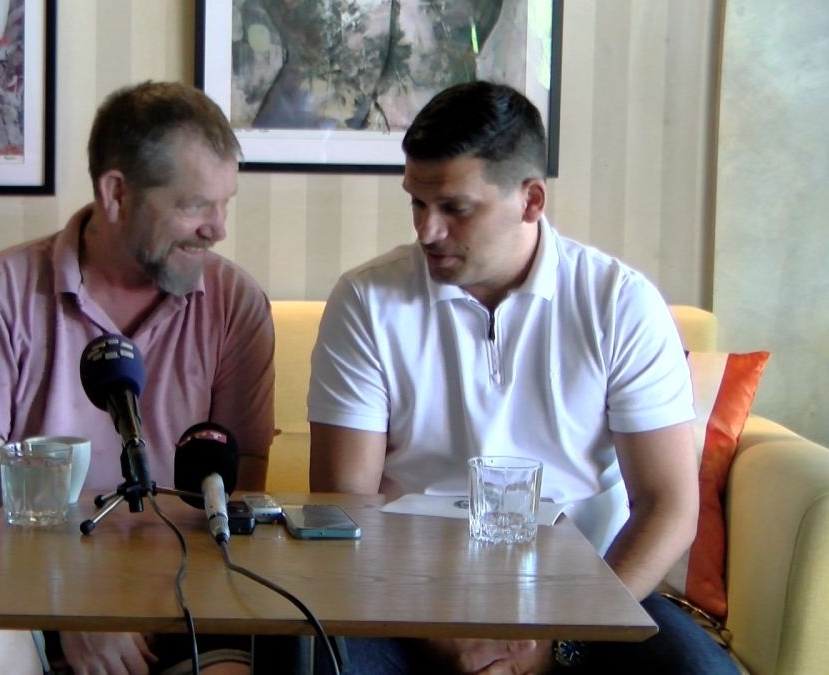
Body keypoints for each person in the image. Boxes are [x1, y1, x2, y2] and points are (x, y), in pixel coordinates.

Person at [307, 81, 737, 674]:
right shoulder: (366, 301)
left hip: (591, 592)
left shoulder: (619, 303)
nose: (427, 231)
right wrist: (442, 638)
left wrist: (558, 639)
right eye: (416, 203)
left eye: (455, 208)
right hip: (409, 601)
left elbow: (669, 506)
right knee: (319, 660)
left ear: (531, 200)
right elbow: (345, 507)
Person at [0, 81, 274, 675]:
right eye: (195, 206)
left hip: (183, 605)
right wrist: (65, 600)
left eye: (225, 204)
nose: (217, 229)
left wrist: (154, 604)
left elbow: (236, 492)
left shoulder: (236, 303)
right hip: (26, 599)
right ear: (116, 193)